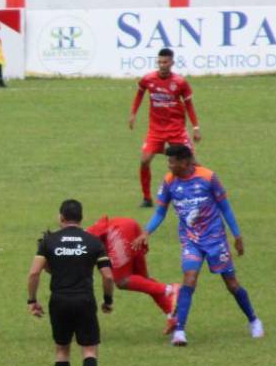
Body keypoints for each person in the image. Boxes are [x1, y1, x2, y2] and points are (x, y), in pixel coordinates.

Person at [141, 144, 263, 346]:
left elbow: (225, 207)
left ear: (184, 162)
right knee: (189, 279)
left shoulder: (208, 177)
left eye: (172, 161)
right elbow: (160, 212)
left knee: (232, 285)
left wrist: (237, 235)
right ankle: (180, 332)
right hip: (191, 240)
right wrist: (146, 231)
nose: (169, 165)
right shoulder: (169, 181)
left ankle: (254, 320)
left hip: (216, 240)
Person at [27, 199, 115, 366]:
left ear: (61, 218)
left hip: (59, 301)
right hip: (84, 301)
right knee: (89, 350)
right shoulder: (94, 242)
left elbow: (35, 273)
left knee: (62, 350)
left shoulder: (49, 241)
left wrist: (32, 300)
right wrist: (107, 299)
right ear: (81, 218)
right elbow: (108, 276)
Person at [128, 48, 201, 207]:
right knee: (144, 161)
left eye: (165, 62)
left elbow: (189, 105)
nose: (162, 65)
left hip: (176, 130)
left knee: (192, 162)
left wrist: (195, 127)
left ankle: (204, 190)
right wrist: (133, 113)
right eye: (160, 62)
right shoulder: (148, 79)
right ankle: (147, 198)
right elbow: (140, 93)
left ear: (172, 63)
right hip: (156, 130)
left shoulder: (180, 82)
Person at [85, 215, 178, 334]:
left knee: (122, 281)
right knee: (143, 281)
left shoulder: (78, 251)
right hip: (127, 224)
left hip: (117, 231)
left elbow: (107, 277)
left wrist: (108, 301)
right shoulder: (77, 242)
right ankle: (172, 315)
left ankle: (170, 289)